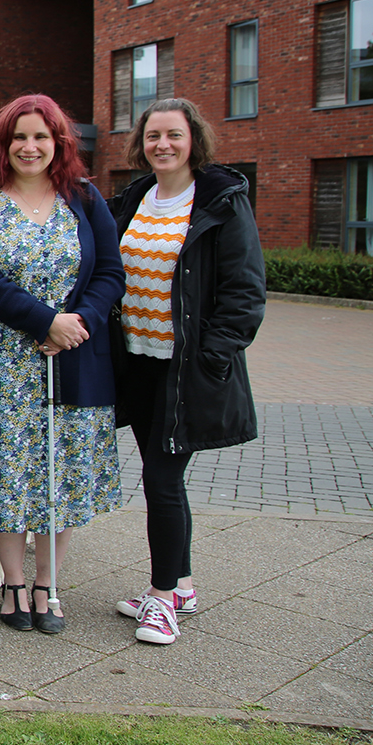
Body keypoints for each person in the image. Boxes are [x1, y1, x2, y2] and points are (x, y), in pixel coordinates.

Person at [0, 94, 125, 635]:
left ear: (58, 143)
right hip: (5, 365)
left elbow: (110, 273)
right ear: (3, 142)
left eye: (41, 137)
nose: (30, 147)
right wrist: (43, 320)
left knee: (60, 474)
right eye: (19, 136)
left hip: (72, 357)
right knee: (8, 477)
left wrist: (76, 323)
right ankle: (15, 583)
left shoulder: (85, 198)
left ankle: (49, 583)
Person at [108, 98, 265, 645]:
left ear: (193, 139)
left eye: (173, 135)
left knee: (162, 479)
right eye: (153, 136)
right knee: (162, 474)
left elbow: (244, 293)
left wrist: (210, 358)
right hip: (140, 365)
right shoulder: (137, 198)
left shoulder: (221, 200)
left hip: (185, 371)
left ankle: (162, 598)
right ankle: (185, 583)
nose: (163, 145)